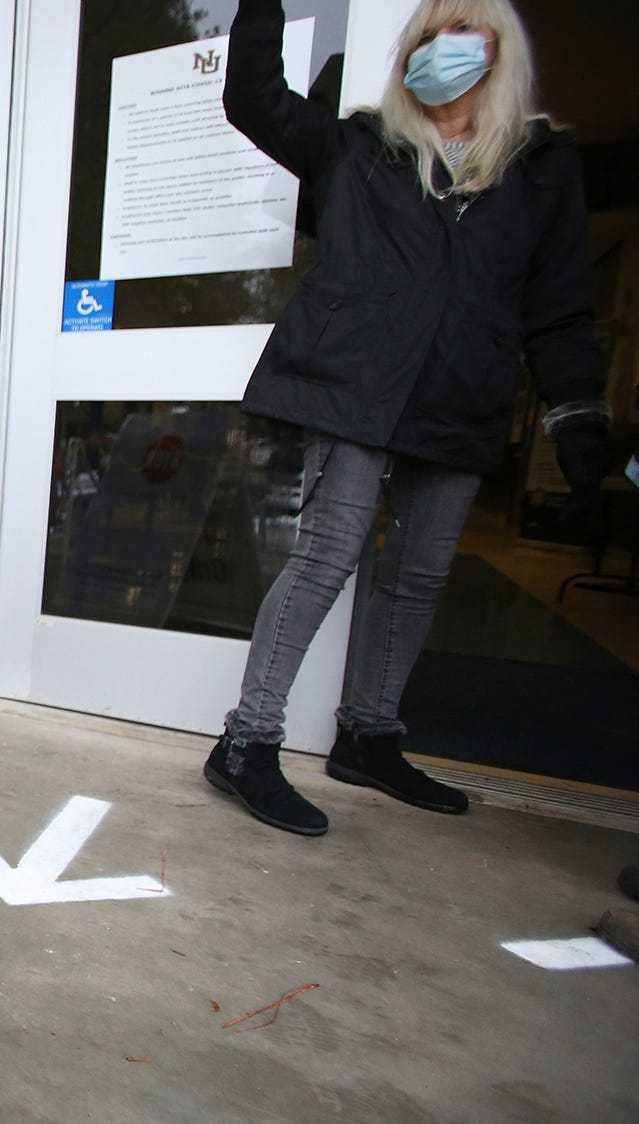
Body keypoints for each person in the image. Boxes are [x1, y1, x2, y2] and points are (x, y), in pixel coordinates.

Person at [204, 0, 609, 835]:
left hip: (462, 391)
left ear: (498, 52)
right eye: (425, 36)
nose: (438, 51)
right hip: (355, 382)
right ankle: (245, 742)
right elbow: (253, 99)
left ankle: (367, 735)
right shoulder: (357, 147)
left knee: (418, 574)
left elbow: (559, 303)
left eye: (459, 34)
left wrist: (573, 410)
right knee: (326, 555)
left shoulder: (538, 169)